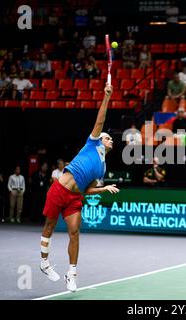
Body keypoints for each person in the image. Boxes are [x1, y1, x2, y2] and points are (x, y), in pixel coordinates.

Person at [39, 84, 119, 292]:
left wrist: (104, 189)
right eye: (108, 137)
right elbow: (100, 120)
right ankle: (44, 262)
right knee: (49, 226)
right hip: (59, 190)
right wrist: (107, 98)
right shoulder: (92, 143)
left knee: (75, 233)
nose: (111, 140)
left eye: (111, 139)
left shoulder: (102, 168)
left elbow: (87, 190)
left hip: (74, 199)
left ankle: (71, 273)